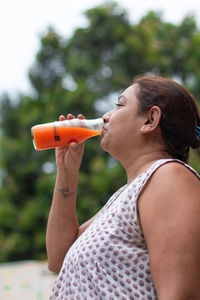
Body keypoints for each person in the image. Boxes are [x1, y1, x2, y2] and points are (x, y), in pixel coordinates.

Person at [46, 75, 200, 299]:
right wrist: (67, 171)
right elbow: (58, 257)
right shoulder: (125, 195)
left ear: (150, 119)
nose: (106, 116)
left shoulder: (169, 177)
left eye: (119, 105)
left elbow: (181, 294)